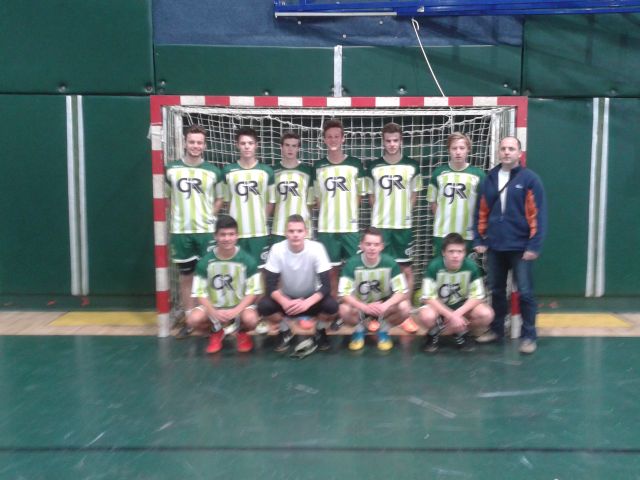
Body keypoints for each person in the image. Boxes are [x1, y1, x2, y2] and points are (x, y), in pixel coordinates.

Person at [473, 136, 547, 354]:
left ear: (519, 153)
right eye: (503, 148)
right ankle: (496, 330)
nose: (507, 152)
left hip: (521, 248)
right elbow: (481, 211)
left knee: (525, 292)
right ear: (499, 152)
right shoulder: (489, 178)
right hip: (495, 247)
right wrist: (479, 239)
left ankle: (529, 336)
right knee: (496, 290)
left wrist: (534, 246)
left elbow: (538, 215)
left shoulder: (530, 179)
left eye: (511, 149)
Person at [164, 124, 223, 338]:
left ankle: (212, 318)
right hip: (181, 232)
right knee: (186, 275)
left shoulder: (213, 171)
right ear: (185, 142)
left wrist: (210, 216)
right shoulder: (171, 170)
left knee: (208, 275)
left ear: (205, 145)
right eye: (192, 142)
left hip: (206, 232)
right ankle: (189, 319)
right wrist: (179, 215)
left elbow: (220, 198)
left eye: (199, 142)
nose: (195, 146)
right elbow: (168, 198)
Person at [367, 122, 422, 333]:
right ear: (383, 142)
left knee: (405, 268)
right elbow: (371, 197)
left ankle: (405, 313)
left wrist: (402, 214)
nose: (391, 144)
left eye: (395, 140)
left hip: (402, 226)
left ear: (401, 141)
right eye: (388, 141)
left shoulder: (412, 165)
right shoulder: (374, 166)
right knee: (379, 269)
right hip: (380, 226)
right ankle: (376, 313)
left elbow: (414, 195)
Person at [258, 215, 339, 357]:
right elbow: (270, 286)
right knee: (263, 306)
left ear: (306, 232)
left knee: (332, 306)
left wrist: (307, 303)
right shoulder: (277, 249)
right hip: (287, 302)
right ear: (286, 233)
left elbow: (326, 286)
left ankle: (320, 329)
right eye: (291, 231)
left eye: (299, 231)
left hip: (311, 300)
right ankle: (285, 329)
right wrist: (285, 302)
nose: (295, 235)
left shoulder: (317, 248)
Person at [187, 215, 263, 354]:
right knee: (193, 319)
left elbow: (253, 292)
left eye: (231, 234)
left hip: (240, 307)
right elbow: (199, 293)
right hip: (214, 308)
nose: (227, 238)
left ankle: (241, 332)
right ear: (215, 236)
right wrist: (213, 311)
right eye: (222, 234)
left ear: (237, 236)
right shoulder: (205, 262)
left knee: (252, 320)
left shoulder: (248, 260)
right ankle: (216, 331)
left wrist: (236, 310)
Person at [313, 119, 369, 296]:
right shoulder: (318, 166)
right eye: (329, 136)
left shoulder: (355, 164)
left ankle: (354, 305)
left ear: (343, 138)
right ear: (324, 139)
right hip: (327, 228)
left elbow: (360, 194)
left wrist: (348, 214)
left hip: (349, 227)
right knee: (331, 271)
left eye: (336, 136)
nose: (333, 140)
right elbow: (317, 199)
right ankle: (334, 306)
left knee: (354, 269)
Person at [416, 232, 494, 353]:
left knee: (486, 314)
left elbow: (478, 296)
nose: (455, 255)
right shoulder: (434, 266)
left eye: (459, 252)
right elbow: (428, 297)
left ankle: (461, 331)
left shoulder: (471, 266)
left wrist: (457, 314)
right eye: (451, 251)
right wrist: (451, 315)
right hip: (439, 309)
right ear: (443, 253)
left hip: (461, 308)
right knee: (426, 316)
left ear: (464, 253)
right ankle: (433, 332)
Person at [338, 227, 411, 351]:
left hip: (383, 308)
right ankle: (359, 330)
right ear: (361, 245)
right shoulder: (352, 264)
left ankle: (383, 330)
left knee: (405, 307)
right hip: (360, 308)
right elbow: (343, 294)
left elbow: (402, 291)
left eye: (376, 244)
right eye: (368, 244)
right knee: (343, 309)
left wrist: (385, 305)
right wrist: (364, 307)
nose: (372, 248)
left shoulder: (390, 263)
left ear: (382, 246)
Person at [220, 127, 275, 267]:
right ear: (237, 145)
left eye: (250, 143)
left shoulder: (267, 171)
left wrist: (262, 219)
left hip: (259, 232)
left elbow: (271, 201)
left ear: (256, 145)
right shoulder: (228, 171)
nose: (247, 146)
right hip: (236, 233)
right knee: (237, 270)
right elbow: (227, 201)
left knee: (260, 270)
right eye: (243, 143)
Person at [427, 132, 485, 258]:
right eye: (454, 148)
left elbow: (484, 206)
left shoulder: (479, 175)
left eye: (462, 148)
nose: (458, 152)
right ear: (448, 150)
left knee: (467, 268)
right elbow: (433, 202)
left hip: (468, 234)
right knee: (442, 267)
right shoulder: (438, 173)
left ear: (468, 149)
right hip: (442, 233)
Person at [271, 131, 315, 242]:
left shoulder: (308, 171)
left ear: (298, 148)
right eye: (287, 145)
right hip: (279, 229)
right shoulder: (273, 171)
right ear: (281, 147)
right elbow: (271, 202)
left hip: (302, 229)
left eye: (294, 146)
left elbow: (310, 203)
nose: (290, 149)